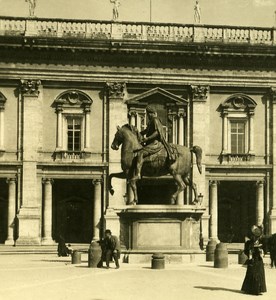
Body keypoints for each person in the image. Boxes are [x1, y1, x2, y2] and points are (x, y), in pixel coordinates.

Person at [135, 105, 176, 179]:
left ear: (151, 113)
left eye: (148, 114)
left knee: (140, 153)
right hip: (151, 143)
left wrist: (147, 138)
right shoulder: (151, 122)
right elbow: (146, 131)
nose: (147, 116)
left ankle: (137, 174)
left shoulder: (155, 120)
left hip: (155, 143)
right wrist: (137, 133)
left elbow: (157, 132)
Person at [241, 225, 267, 295]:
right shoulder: (249, 242)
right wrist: (250, 251)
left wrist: (262, 251)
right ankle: (249, 289)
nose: (256, 238)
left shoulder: (262, 241)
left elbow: (265, 249)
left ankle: (258, 290)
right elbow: (246, 250)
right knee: (251, 273)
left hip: (259, 259)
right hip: (252, 259)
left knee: (259, 274)